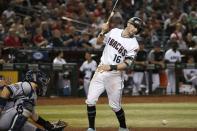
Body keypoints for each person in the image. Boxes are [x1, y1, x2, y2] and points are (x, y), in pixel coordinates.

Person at [86, 17, 144, 131]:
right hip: (101, 70)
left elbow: (127, 64)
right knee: (90, 100)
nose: (135, 30)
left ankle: (123, 128)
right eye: (134, 26)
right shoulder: (114, 31)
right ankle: (91, 128)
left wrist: (111, 67)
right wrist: (102, 31)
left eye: (138, 28)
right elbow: (98, 42)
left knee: (115, 106)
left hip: (115, 75)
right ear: (128, 23)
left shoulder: (134, 45)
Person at [0, 70, 66, 131]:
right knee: (27, 106)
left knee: (29, 127)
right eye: (43, 80)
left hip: (7, 119)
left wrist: (47, 125)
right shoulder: (27, 85)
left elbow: (33, 115)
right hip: (2, 116)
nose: (44, 83)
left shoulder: (33, 95)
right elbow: (6, 90)